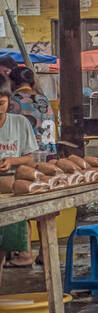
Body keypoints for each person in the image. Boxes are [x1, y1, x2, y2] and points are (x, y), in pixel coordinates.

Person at [0, 80, 38, 272]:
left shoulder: (20, 123)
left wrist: (11, 161)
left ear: (8, 100)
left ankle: (24, 254)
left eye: (1, 103)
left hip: (13, 186)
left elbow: (30, 156)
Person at [8, 65, 56, 160]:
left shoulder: (13, 101)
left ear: (11, 82)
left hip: (26, 156)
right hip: (49, 153)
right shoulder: (44, 100)